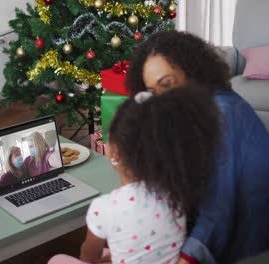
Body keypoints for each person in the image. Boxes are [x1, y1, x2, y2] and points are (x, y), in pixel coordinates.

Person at [126, 30, 269, 264]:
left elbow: (218, 211)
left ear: (191, 72)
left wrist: (185, 258)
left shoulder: (221, 115)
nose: (161, 99)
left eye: (167, 84)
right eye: (153, 92)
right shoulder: (196, 107)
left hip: (248, 242)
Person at [48, 85, 221, 264]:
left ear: (114, 153)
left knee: (57, 259)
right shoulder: (177, 195)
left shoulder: (103, 208)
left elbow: (89, 256)